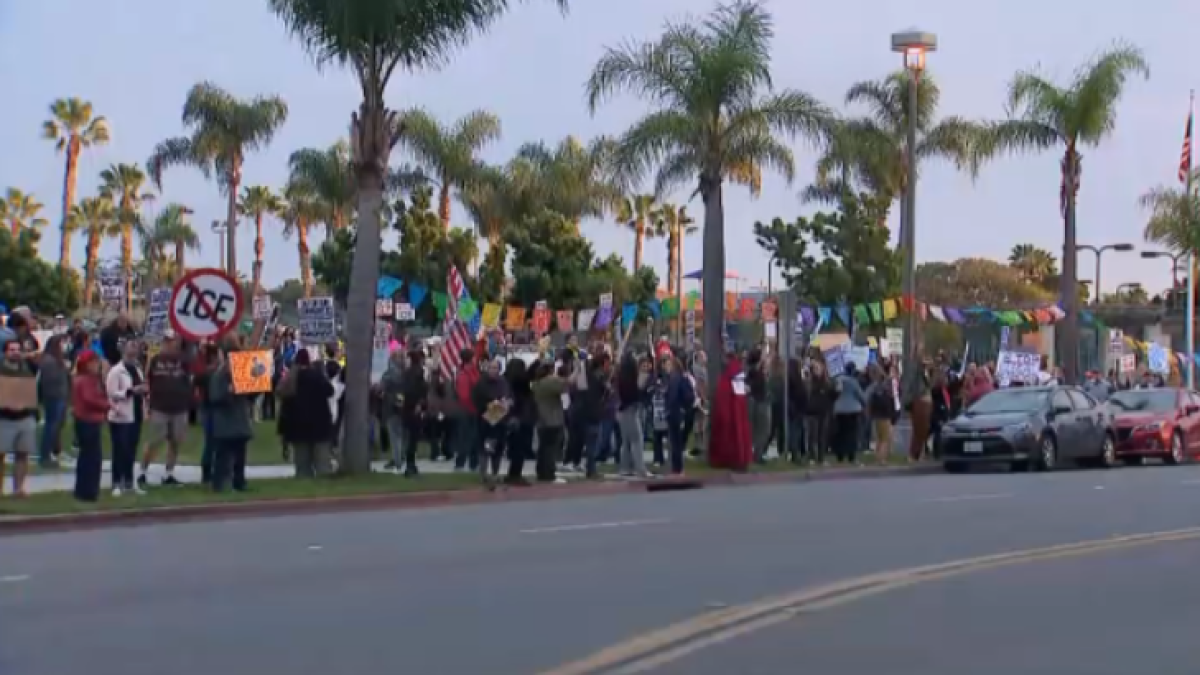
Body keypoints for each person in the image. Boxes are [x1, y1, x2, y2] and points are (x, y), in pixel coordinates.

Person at [138, 331, 192, 487]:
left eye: (172, 340)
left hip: (179, 407)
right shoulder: (155, 360)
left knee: (175, 441)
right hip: (160, 407)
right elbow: (148, 380)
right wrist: (148, 403)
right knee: (155, 441)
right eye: (166, 341)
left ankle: (169, 473)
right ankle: (143, 471)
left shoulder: (184, 360)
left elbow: (190, 380)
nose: (169, 344)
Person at [277, 349, 336, 478]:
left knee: (302, 466)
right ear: (308, 360)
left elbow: (284, 407)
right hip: (320, 425)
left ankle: (304, 484)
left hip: (297, 427)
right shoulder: (317, 376)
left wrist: (283, 431)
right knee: (322, 465)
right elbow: (330, 391)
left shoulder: (290, 379)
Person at [208, 338, 254, 492]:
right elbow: (214, 398)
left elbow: (251, 395)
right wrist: (228, 393)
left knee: (240, 457)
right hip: (226, 422)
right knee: (223, 456)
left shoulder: (241, 371)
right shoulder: (219, 375)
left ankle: (239, 482)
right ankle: (219, 484)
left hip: (239, 419)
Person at [106, 340, 147, 496]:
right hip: (120, 415)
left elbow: (141, 386)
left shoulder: (137, 369)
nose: (134, 350)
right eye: (131, 346)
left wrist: (143, 391)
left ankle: (129, 481)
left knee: (131, 449)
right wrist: (130, 391)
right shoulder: (116, 371)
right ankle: (117, 482)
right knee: (120, 450)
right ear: (123, 349)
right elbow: (111, 393)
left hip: (135, 414)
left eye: (135, 347)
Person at [0, 336, 38, 496]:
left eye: (17, 350)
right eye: (12, 350)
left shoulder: (27, 368)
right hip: (4, 418)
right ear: (5, 352)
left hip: (25, 417)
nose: (15, 353)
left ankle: (19, 489)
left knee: (23, 454)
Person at [71, 350, 109, 502]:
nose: (97, 365)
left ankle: (82, 490)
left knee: (86, 456)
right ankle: (89, 491)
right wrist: (107, 405)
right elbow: (90, 399)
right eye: (94, 362)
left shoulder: (82, 378)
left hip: (85, 420)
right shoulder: (87, 380)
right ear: (87, 364)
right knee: (92, 457)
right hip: (88, 420)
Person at [709, 349, 752, 471]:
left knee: (730, 438)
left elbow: (722, 397)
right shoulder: (737, 375)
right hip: (737, 414)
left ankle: (732, 460)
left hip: (729, 415)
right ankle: (740, 460)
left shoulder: (728, 377)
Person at [472, 357, 511, 478]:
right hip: (485, 420)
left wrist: (507, 402)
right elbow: (478, 399)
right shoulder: (481, 383)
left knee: (498, 448)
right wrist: (494, 403)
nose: (493, 370)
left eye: (496, 368)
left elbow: (509, 396)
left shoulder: (503, 382)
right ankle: (483, 474)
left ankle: (495, 473)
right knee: (485, 448)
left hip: (500, 421)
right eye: (491, 368)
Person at [615, 353, 652, 478]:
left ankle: (625, 467)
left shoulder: (621, 377)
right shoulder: (632, 379)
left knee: (626, 441)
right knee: (637, 439)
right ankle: (640, 469)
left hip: (622, 410)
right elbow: (636, 393)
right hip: (630, 410)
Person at [37, 335, 71, 468]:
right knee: (51, 427)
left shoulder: (56, 360)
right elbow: (50, 381)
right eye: (62, 344)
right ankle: (45, 455)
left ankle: (54, 451)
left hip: (60, 397)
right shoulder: (49, 361)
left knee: (56, 426)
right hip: (54, 398)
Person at [503, 358, 535, 486]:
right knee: (520, 449)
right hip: (522, 418)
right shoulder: (522, 383)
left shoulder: (504, 381)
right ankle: (515, 475)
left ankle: (510, 474)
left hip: (508, 417)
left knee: (513, 447)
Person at [398, 349, 429, 477]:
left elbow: (413, 391)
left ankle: (410, 465)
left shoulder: (411, 373)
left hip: (409, 408)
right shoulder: (415, 373)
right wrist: (420, 404)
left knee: (410, 438)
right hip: (412, 408)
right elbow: (420, 391)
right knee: (412, 439)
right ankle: (411, 465)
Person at [662, 356, 693, 475]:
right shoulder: (677, 379)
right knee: (676, 442)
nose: (666, 367)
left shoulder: (677, 379)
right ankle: (676, 467)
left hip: (676, 413)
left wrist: (670, 407)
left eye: (669, 365)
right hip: (677, 413)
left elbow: (675, 397)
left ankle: (677, 468)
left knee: (676, 442)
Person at [831, 363, 867, 464]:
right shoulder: (853, 382)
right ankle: (851, 455)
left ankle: (840, 455)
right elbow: (861, 396)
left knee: (840, 433)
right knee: (851, 434)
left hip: (839, 410)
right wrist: (864, 404)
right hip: (852, 410)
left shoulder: (838, 380)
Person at [453, 348, 481, 471]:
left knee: (475, 437)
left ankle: (474, 462)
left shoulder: (474, 371)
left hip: (475, 408)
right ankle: (460, 462)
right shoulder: (463, 374)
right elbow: (464, 395)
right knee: (465, 437)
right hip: (467, 409)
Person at [379, 349, 407, 472]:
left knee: (394, 437)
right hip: (404, 407)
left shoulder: (388, 375)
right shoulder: (406, 374)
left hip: (390, 407)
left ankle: (397, 461)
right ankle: (401, 457)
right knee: (401, 435)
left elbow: (381, 391)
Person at [865, 364, 897, 465]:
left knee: (879, 438)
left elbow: (867, 399)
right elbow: (891, 398)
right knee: (884, 438)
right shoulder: (885, 384)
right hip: (885, 414)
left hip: (876, 414)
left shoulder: (873, 386)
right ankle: (881, 459)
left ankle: (877, 457)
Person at [803, 361, 834, 465]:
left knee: (822, 435)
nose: (817, 370)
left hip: (823, 411)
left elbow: (831, 396)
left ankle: (821, 457)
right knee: (812, 435)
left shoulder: (826, 382)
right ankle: (811, 456)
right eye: (815, 368)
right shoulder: (810, 381)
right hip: (812, 411)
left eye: (819, 368)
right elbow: (810, 392)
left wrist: (836, 392)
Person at [746, 349, 771, 463]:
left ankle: (756, 453)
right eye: (764, 356)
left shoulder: (756, 371)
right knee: (763, 430)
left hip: (758, 401)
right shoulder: (755, 372)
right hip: (759, 402)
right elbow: (752, 386)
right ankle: (757, 455)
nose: (766, 358)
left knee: (759, 430)